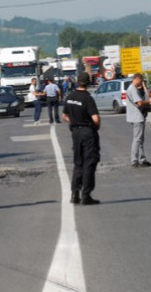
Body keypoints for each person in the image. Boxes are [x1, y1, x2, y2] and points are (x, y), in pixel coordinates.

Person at [62, 72, 101, 205]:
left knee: (78, 163)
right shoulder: (87, 98)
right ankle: (86, 195)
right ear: (88, 83)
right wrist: (95, 126)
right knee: (89, 162)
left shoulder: (70, 96)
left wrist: (73, 121)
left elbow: (64, 116)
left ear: (77, 82)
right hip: (87, 132)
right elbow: (95, 118)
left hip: (75, 133)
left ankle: (74, 194)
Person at [126, 73, 151, 168]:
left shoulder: (132, 88)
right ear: (137, 79)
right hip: (137, 117)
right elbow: (140, 103)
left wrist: (145, 87)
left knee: (140, 139)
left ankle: (142, 159)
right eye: (141, 81)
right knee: (137, 139)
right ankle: (134, 160)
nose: (141, 83)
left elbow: (145, 95)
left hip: (136, 116)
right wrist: (149, 102)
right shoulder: (133, 89)